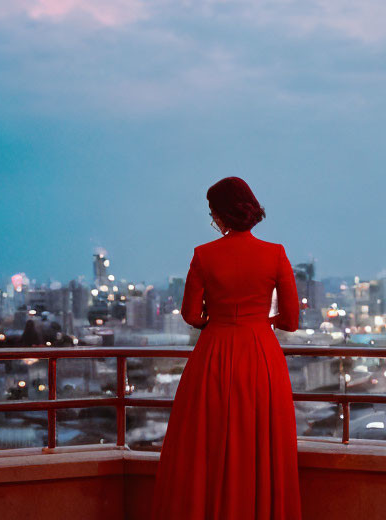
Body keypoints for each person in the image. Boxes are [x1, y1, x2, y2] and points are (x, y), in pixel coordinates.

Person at [151, 176, 301, 519]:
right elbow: (291, 320)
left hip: (214, 355)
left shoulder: (203, 255)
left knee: (206, 445)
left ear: (221, 215)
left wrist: (215, 319)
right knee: (261, 445)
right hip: (261, 356)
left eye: (212, 213)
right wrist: (262, 321)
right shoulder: (275, 254)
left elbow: (190, 314)